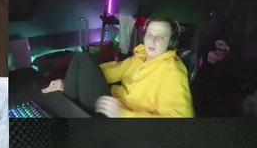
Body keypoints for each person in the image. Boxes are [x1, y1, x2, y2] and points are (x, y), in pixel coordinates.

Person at [41, 17, 193, 118]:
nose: (152, 40)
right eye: (150, 34)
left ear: (171, 42)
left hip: (119, 117)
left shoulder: (173, 71)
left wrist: (122, 114)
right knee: (81, 58)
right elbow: (113, 71)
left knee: (83, 58)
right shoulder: (140, 56)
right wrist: (73, 81)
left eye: (160, 36)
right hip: (110, 102)